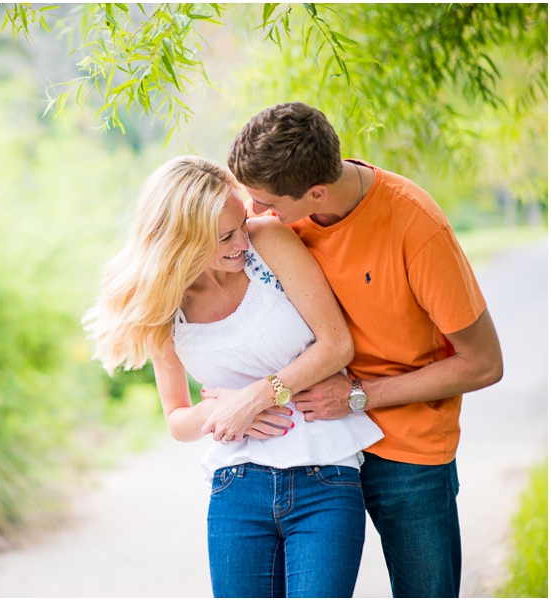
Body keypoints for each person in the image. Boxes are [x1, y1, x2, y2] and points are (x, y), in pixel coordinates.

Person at [224, 102, 504, 598]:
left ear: (315, 192)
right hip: (317, 445)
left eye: (266, 203)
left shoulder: (416, 228)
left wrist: (359, 396)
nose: (256, 215)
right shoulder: (280, 211)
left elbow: (484, 363)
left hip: (407, 450)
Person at [84, 155, 384, 598]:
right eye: (225, 236)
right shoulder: (164, 307)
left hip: (325, 474)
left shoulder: (268, 243)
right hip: (237, 486)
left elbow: (336, 345)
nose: (242, 241)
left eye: (241, 223)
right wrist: (220, 409)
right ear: (181, 241)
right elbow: (178, 420)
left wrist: (258, 398)